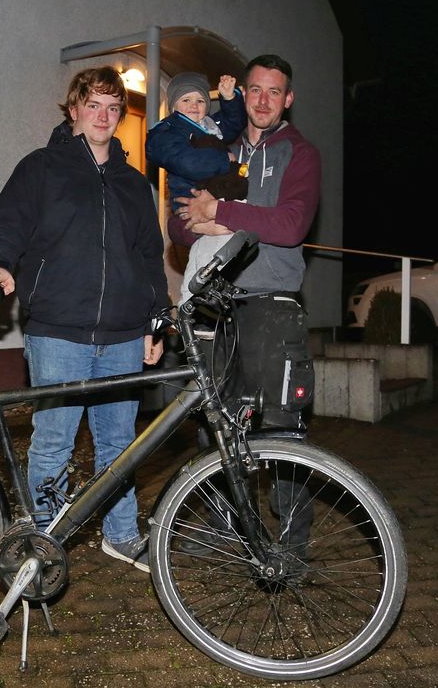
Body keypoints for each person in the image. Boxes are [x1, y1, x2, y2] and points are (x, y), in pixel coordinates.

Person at [0, 67, 168, 573]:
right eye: (93, 105)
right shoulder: (41, 168)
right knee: (54, 439)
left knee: (119, 444)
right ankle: (45, 543)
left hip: (124, 333)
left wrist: (155, 322)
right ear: (74, 110)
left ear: (119, 116)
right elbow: (5, 222)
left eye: (112, 108)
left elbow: (149, 256)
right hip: (57, 330)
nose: (103, 116)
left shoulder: (134, 184)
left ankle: (121, 536)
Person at [168, 54, 319, 561]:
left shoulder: (300, 154)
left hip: (271, 307)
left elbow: (291, 224)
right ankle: (223, 536)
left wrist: (224, 213)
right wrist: (208, 220)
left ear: (287, 99)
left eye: (273, 92)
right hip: (216, 308)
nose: (261, 100)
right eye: (254, 89)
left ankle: (291, 550)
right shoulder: (216, 146)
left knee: (282, 436)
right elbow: (178, 221)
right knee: (216, 430)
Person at [146, 72, 248, 303]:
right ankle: (188, 299)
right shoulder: (168, 130)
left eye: (200, 101)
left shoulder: (208, 126)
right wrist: (225, 161)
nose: (194, 105)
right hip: (190, 198)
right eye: (186, 100)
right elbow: (188, 163)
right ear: (173, 105)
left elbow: (233, 123)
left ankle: (216, 289)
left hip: (215, 196)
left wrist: (230, 98)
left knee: (223, 243)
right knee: (204, 246)